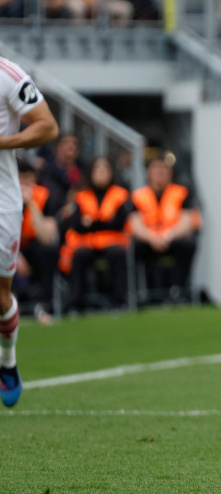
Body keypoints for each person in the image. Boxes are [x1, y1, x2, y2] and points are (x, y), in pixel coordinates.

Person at [0, 56, 58, 407]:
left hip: (1, 201)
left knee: (0, 298)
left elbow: (47, 127)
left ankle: (7, 361)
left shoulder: (7, 74)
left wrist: (3, 143)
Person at [58, 157, 132, 312]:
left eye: (105, 169)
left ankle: (119, 302)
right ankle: (76, 303)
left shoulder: (120, 194)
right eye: (97, 169)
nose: (101, 172)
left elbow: (119, 223)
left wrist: (92, 223)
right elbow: (76, 225)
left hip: (112, 243)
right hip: (88, 244)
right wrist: (104, 222)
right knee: (79, 255)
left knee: (118, 254)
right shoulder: (81, 196)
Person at [129, 155, 200, 302]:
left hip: (173, 238)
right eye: (156, 168)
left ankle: (180, 291)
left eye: (164, 168)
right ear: (148, 172)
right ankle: (138, 296)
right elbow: (134, 223)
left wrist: (168, 236)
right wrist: (152, 238)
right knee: (132, 249)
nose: (160, 172)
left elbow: (187, 220)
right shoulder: (138, 195)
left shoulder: (181, 192)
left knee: (189, 245)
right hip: (148, 240)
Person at [18, 158, 60, 324]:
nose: (25, 184)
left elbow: (47, 236)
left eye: (29, 178)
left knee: (48, 252)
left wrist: (31, 204)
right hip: (9, 248)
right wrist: (15, 255)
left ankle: (42, 305)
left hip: (33, 245)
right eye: (21, 179)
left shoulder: (43, 195)